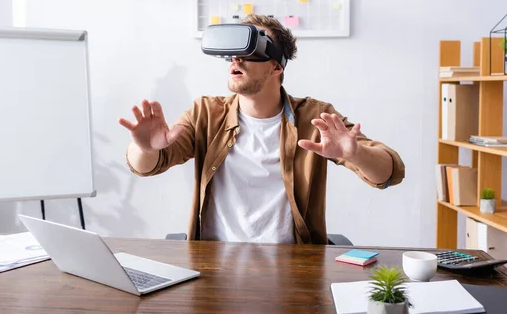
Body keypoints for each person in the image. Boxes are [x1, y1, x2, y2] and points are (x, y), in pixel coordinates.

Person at [118, 14, 405, 244]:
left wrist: (356, 155)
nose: (236, 59)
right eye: (233, 52)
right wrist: (144, 148)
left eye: (250, 49)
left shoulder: (316, 117)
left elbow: (390, 172)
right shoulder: (206, 113)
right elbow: (145, 166)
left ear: (276, 66)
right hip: (214, 264)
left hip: (294, 267)